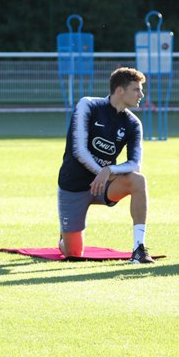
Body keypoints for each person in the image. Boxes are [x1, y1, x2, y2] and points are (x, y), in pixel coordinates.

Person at [57, 67, 153, 263]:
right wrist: (101, 172)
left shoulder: (133, 124)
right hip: (73, 186)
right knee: (73, 254)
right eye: (136, 89)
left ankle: (139, 249)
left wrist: (108, 171)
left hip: (106, 184)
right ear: (120, 90)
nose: (141, 95)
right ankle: (64, 238)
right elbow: (79, 151)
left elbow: (136, 164)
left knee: (138, 181)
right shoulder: (88, 105)